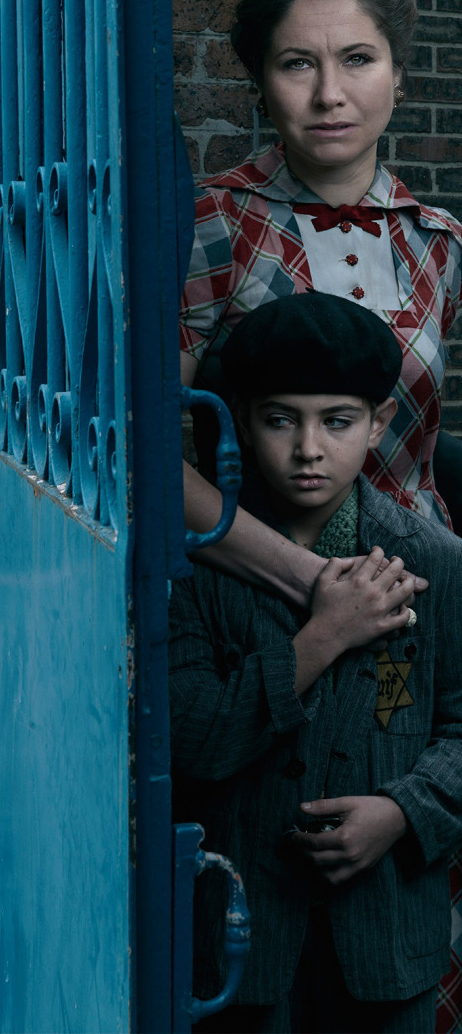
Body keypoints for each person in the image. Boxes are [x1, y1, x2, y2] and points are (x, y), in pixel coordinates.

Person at [179, 0, 462, 1017]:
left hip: (413, 602)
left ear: (399, 71)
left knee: (403, 922)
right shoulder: (209, 222)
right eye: (299, 63)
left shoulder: (440, 242)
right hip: (252, 593)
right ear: (261, 77)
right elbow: (165, 445)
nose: (331, 92)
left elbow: (416, 443)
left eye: (359, 59)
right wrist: (302, 584)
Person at [170, 292, 462, 1029]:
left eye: (336, 422)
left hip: (388, 940)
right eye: (280, 419)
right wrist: (321, 637)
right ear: (239, 419)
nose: (308, 448)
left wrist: (402, 811)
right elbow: (192, 740)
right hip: (240, 945)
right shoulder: (196, 566)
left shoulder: (435, 561)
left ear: (378, 423)